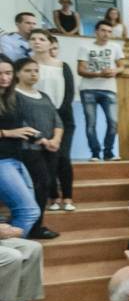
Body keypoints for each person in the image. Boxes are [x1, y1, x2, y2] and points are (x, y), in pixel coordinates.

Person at [13, 58, 63, 239]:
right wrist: (42, 140)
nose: (33, 74)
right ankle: (29, 227)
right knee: (38, 185)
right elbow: (20, 122)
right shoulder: (14, 95)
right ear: (17, 73)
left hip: (50, 149)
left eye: (36, 70)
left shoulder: (44, 95)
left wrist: (56, 139)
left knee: (46, 185)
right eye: (28, 70)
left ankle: (38, 226)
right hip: (28, 149)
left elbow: (57, 120)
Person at [29, 30, 75, 212]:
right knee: (45, 160)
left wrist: (56, 119)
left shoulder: (62, 66)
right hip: (37, 119)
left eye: (41, 39)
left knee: (63, 157)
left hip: (62, 117)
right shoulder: (29, 66)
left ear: (50, 43)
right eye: (33, 39)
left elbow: (68, 94)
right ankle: (53, 197)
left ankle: (68, 197)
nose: (37, 42)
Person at [0, 55, 43, 239]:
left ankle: (12, 259)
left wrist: (29, 133)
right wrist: (9, 133)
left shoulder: (12, 98)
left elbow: (17, 128)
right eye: (0, 74)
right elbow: (11, 131)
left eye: (8, 73)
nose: (4, 78)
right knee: (29, 211)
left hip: (15, 158)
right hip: (2, 162)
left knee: (27, 211)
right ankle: (10, 260)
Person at [76, 20, 124, 161]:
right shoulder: (85, 47)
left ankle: (108, 152)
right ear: (96, 31)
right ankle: (95, 153)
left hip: (109, 89)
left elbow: (122, 66)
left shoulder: (115, 47)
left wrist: (114, 70)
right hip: (88, 89)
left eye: (109, 31)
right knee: (91, 123)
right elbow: (81, 70)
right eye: (103, 30)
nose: (106, 34)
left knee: (113, 122)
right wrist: (99, 74)